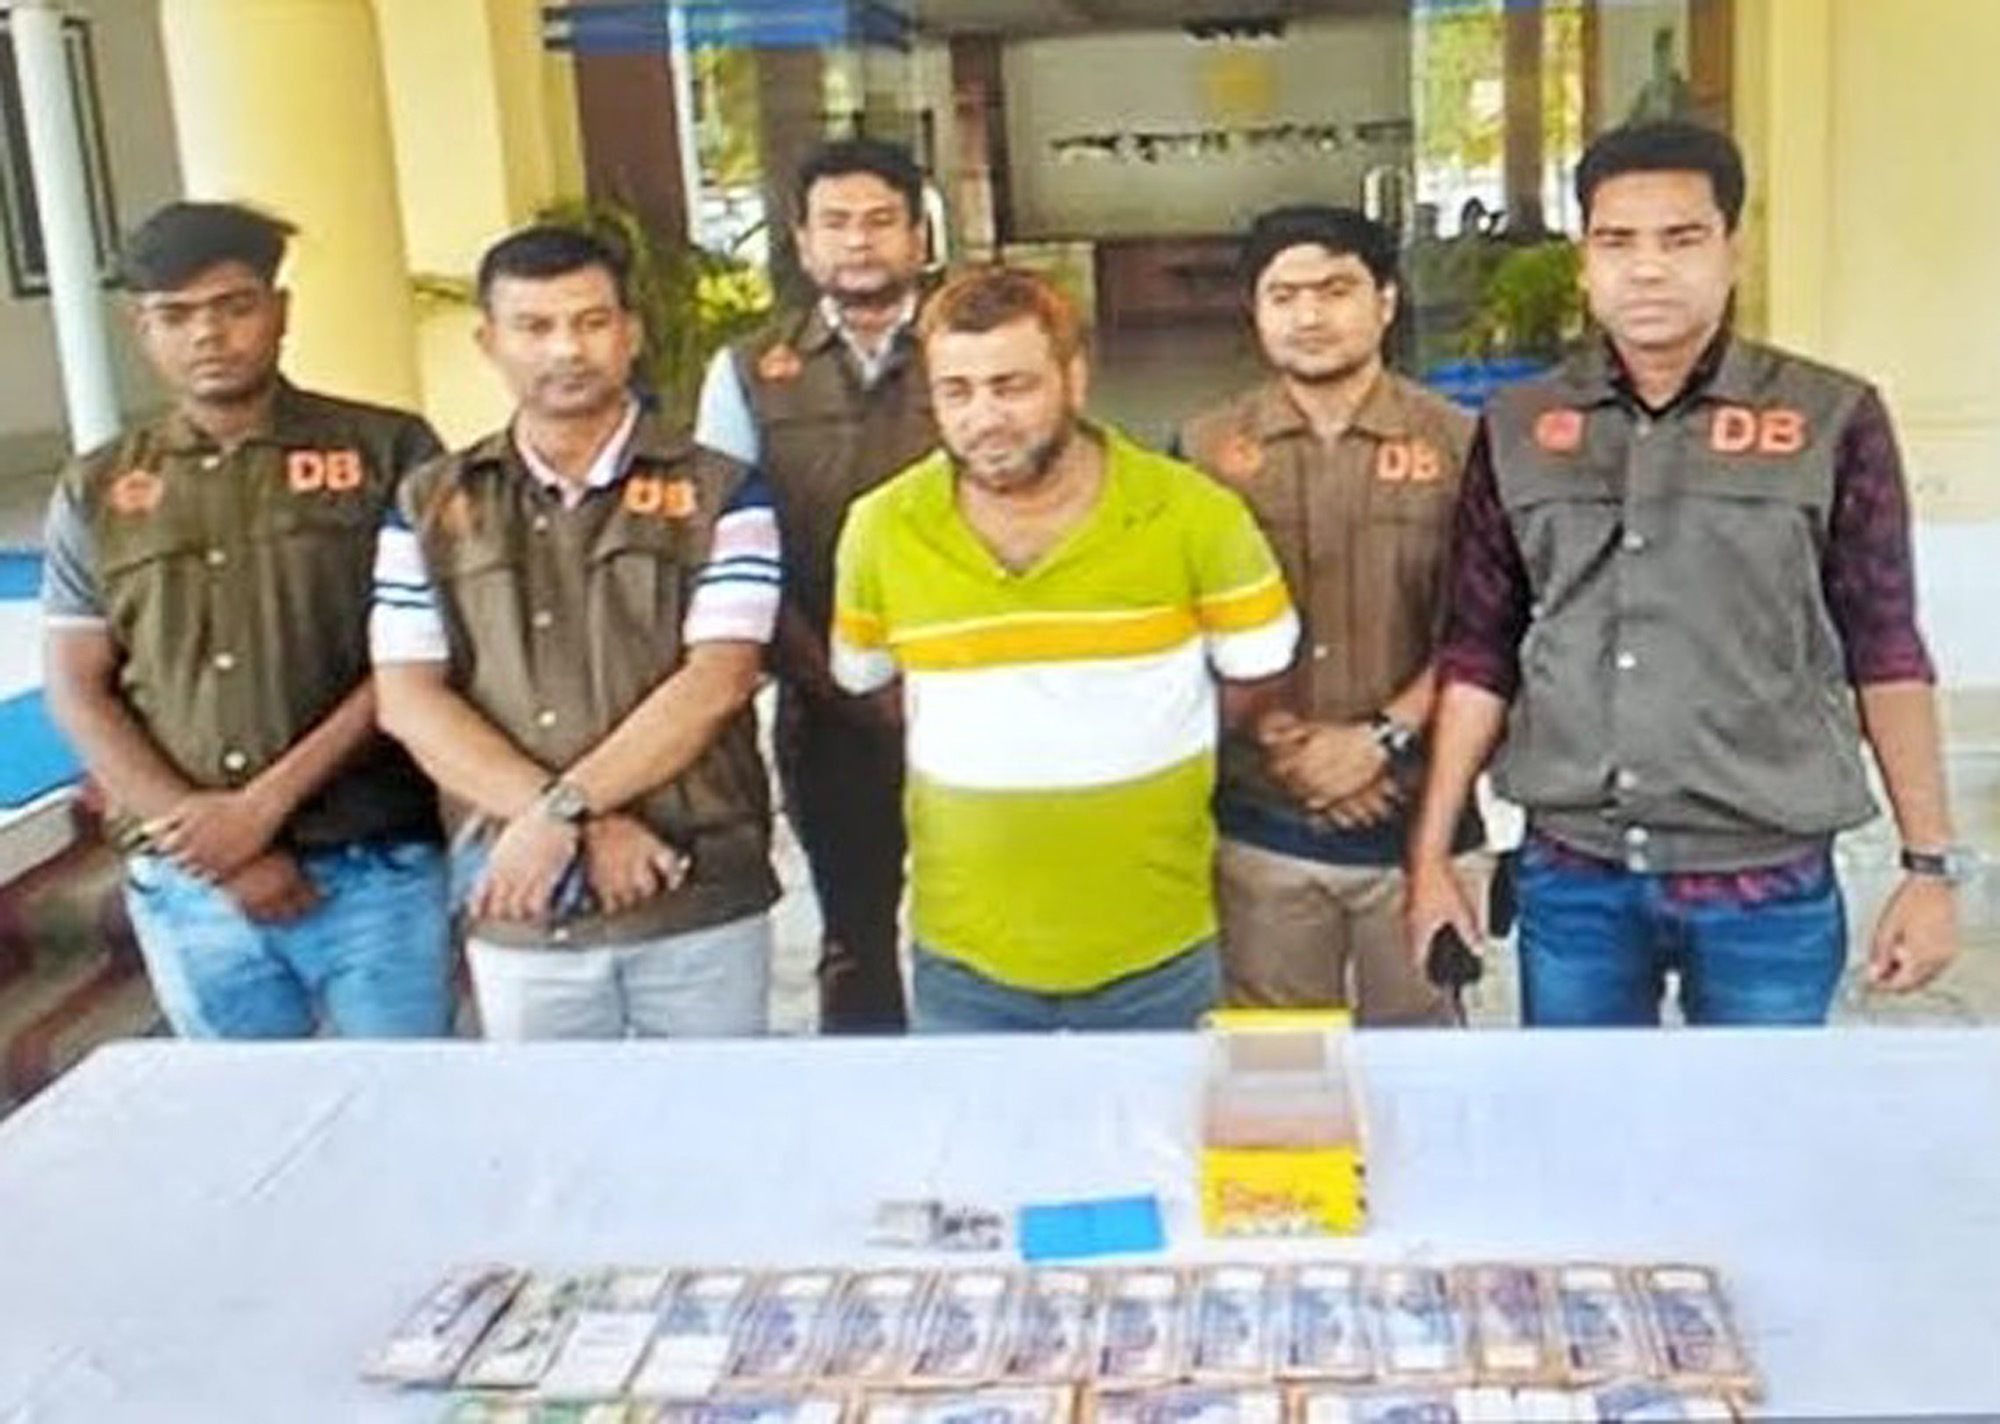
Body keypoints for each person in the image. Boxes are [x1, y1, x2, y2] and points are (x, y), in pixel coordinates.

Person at [1407, 121, 1964, 1026]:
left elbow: (1885, 645)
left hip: (1764, 879)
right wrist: (1431, 855)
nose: (1648, 269)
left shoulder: (1830, 419)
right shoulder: (1518, 425)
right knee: (1583, 1108)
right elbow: (1479, 651)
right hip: (1575, 874)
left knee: (1756, 1114)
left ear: (1733, 250)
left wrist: (1929, 865)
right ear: (1585, 262)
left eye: (1681, 239)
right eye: (1616, 242)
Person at [831, 267, 1300, 1033]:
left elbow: (1254, 681)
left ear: (1075, 379)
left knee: (1168, 1121)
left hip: (1160, 952)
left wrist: (1142, 735)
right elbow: (879, 692)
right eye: (957, 392)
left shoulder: (1194, 514)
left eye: (1012, 386)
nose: (985, 418)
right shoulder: (880, 528)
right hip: (965, 959)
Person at [40, 201, 450, 1038]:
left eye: (234, 306)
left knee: (408, 1104)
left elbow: (418, 655)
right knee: (239, 1112)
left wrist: (260, 811)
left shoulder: (389, 452)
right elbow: (79, 688)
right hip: (193, 892)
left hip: (374, 866)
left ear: (280, 311)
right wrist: (212, 847)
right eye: (176, 315)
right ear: (142, 330)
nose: (209, 334)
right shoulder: (97, 488)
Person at [372, 226, 782, 1039]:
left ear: (631, 333)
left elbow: (719, 681)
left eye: (591, 322)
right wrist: (564, 821)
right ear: (489, 342)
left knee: (718, 1111)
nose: (566, 349)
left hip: (695, 891)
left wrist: (558, 811)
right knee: (545, 1117)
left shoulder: (723, 491)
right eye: (534, 327)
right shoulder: (429, 504)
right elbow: (408, 699)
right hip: (522, 893)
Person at [1179, 206, 1480, 1023]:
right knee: (1275, 1060)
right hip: (1261, 821)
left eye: (1336, 290)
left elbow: (1491, 622)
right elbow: (1185, 623)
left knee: (1418, 1064)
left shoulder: (1464, 445)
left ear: (1386, 302)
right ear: (1255, 310)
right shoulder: (1201, 451)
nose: (1308, 315)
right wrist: (1288, 744)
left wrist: (1379, 740)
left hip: (1420, 822)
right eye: (1284, 296)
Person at [695, 139, 938, 1033]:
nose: (859, 241)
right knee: (854, 932)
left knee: (986, 923)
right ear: (802, 242)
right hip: (822, 695)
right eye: (835, 223)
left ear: (919, 236)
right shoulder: (748, 371)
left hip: (974, 688)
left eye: (880, 221)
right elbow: (728, 546)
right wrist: (834, 681)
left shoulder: (974, 344)